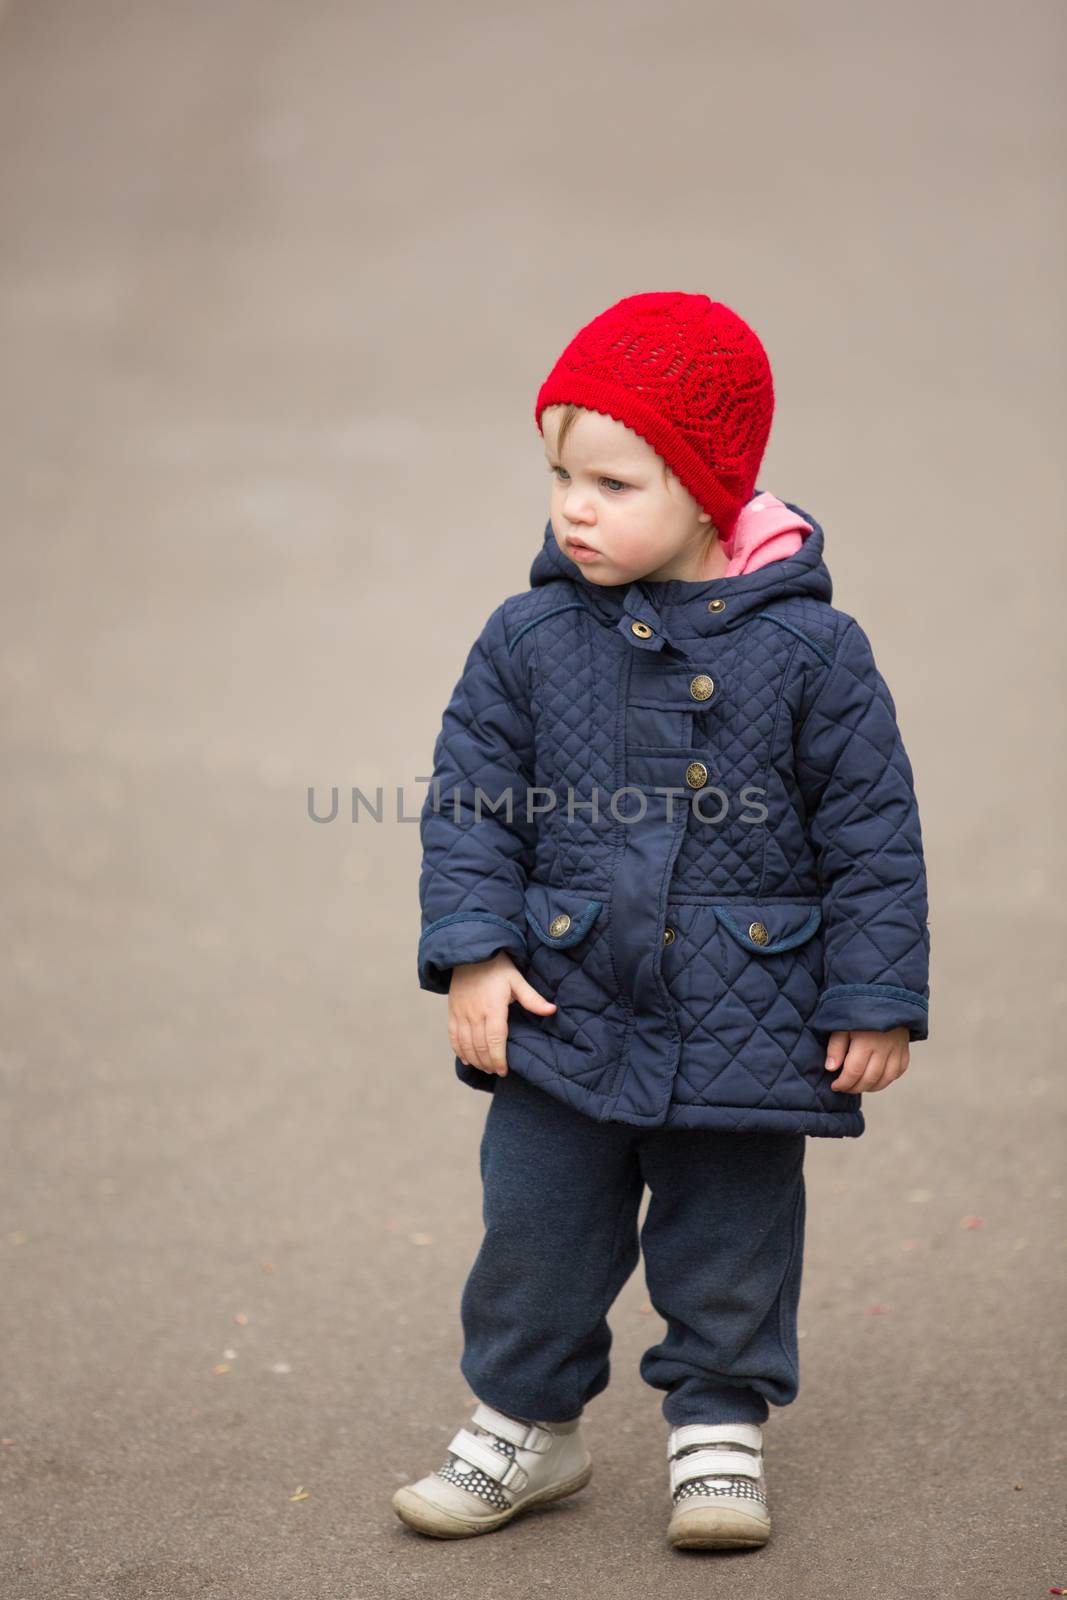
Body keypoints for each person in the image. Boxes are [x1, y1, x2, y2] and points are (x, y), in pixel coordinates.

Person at [392, 292, 931, 1550]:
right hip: (562, 1003)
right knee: (533, 1225)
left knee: (731, 1234)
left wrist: (871, 995)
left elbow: (869, 833)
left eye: (613, 480)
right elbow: (471, 800)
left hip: (750, 1013)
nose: (573, 506)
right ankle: (527, 1422)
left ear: (706, 491)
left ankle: (717, 1426)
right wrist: (474, 949)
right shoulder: (526, 639)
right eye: (559, 475)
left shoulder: (812, 653)